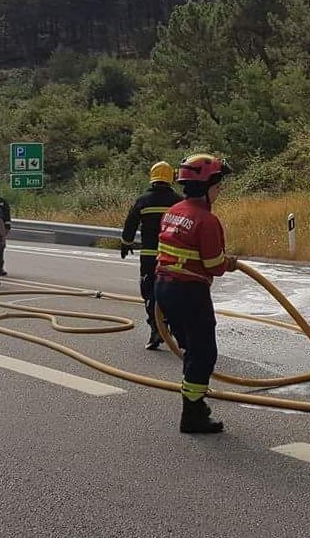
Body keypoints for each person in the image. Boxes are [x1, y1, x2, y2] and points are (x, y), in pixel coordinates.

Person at [154, 154, 238, 434]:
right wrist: (230, 262)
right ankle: (192, 413)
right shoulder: (206, 220)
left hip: (164, 288)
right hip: (189, 292)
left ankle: (195, 405)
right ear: (206, 186)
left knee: (192, 350)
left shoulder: (174, 210)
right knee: (204, 353)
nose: (220, 189)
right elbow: (214, 266)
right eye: (218, 184)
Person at [121, 161, 184, 350]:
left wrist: (126, 244)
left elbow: (130, 223)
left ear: (152, 177)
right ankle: (178, 333)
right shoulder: (179, 201)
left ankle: (156, 329)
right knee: (173, 292)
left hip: (149, 257)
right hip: (173, 257)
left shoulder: (143, 200)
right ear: (170, 178)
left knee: (149, 292)